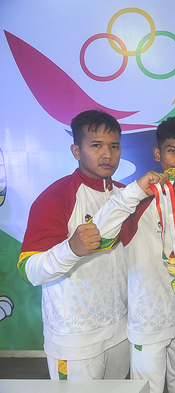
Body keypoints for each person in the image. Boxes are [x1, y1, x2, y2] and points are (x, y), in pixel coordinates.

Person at [90, 116, 175, 393]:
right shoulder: (137, 199)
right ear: (158, 154)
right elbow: (100, 233)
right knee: (147, 389)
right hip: (148, 320)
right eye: (173, 151)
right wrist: (134, 193)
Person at [17, 110, 131, 380]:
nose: (107, 154)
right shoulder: (56, 197)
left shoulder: (126, 195)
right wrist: (71, 249)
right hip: (75, 339)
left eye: (114, 146)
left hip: (120, 330)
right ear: (76, 151)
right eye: (96, 145)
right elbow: (29, 269)